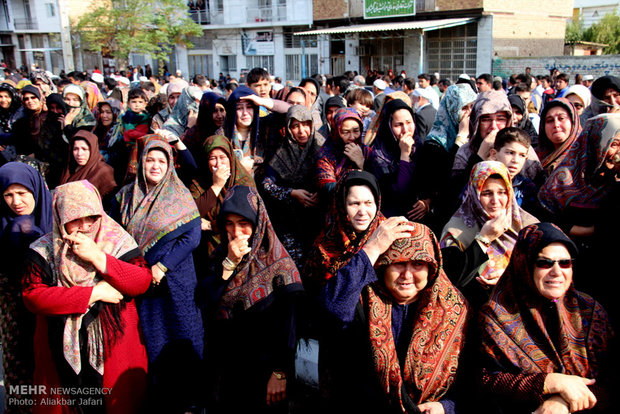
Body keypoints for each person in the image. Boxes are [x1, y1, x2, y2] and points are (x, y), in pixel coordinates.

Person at [23, 180, 152, 413]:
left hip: (114, 349)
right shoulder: (44, 250)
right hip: (58, 351)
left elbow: (141, 281)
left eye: (91, 217)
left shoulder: (116, 240)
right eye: (75, 219)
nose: (84, 227)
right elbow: (33, 295)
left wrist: (98, 257)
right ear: (60, 217)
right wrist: (93, 293)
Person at [319, 220, 468, 413]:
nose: (407, 274)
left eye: (417, 264)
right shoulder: (362, 301)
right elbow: (332, 308)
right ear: (383, 265)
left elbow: (470, 379)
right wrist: (372, 248)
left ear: (432, 266)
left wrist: (445, 407)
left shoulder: (453, 308)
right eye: (397, 263)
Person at [479, 222, 613, 414]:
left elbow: (612, 377)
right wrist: (548, 383)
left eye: (565, 263)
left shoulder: (589, 311)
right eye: (544, 263)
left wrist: (563, 401)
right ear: (523, 263)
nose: (557, 271)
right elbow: (485, 380)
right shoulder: (496, 316)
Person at [113, 139, 203, 413]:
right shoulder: (126, 196)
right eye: (150, 160)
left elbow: (192, 237)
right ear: (141, 163)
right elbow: (116, 235)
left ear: (169, 165)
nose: (155, 166)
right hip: (142, 280)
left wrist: (162, 266)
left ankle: (190, 399)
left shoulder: (179, 194)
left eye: (161, 161)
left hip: (176, 278)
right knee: (152, 336)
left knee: (184, 332)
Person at [201, 185, 303, 413]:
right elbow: (205, 303)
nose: (237, 233)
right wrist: (228, 265)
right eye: (229, 223)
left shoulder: (281, 267)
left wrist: (280, 373)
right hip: (228, 373)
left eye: (244, 224)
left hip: (266, 377)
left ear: (258, 224)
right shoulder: (219, 259)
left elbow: (292, 329)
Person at [441, 161, 538, 308]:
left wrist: (510, 277)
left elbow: (546, 270)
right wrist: (483, 239)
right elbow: (449, 279)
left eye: (502, 192)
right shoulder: (456, 229)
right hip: (473, 311)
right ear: (474, 193)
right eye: (486, 193)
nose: (495, 201)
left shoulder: (529, 226)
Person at [0, 162, 52, 405]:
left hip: (50, 308)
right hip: (14, 312)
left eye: (22, 193)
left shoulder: (53, 217)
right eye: (8, 195)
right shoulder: (5, 227)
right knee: (20, 364)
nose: (16, 201)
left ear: (36, 191)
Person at [262, 105, 325, 272]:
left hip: (319, 220)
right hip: (289, 221)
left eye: (305, 124)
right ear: (288, 128)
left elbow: (334, 177)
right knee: (294, 269)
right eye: (295, 125)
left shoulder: (323, 148)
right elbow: (267, 184)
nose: (301, 130)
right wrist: (291, 193)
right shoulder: (281, 152)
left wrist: (323, 193)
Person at [189, 134, 255, 272]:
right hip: (205, 250)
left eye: (223, 158)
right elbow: (191, 215)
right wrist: (217, 185)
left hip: (238, 244)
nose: (218, 164)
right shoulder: (198, 183)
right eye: (213, 158)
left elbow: (247, 217)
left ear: (231, 159)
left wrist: (211, 225)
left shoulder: (244, 181)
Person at [367, 99, 417, 217]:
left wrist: (427, 202)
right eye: (398, 125)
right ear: (389, 126)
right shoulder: (380, 155)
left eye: (409, 122)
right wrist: (404, 155)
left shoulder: (419, 145)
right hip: (393, 217)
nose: (405, 130)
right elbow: (400, 191)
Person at [316, 108, 369, 194]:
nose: (352, 137)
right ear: (337, 131)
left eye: (356, 131)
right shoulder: (326, 154)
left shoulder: (367, 152)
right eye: (345, 132)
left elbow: (378, 181)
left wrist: (362, 163)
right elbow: (326, 185)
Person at [59, 130, 117, 202]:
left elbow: (109, 201)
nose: (79, 153)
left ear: (93, 150)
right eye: (75, 149)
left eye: (84, 149)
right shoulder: (70, 168)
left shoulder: (103, 171)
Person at [536, 98, 581, 176]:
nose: (556, 125)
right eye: (550, 120)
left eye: (561, 118)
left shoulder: (585, 156)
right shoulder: (535, 158)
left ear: (573, 122)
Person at [0, 82, 25, 162]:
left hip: (18, 154)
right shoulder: (1, 113)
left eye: (7, 97)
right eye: (0, 97)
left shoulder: (20, 112)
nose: (3, 100)